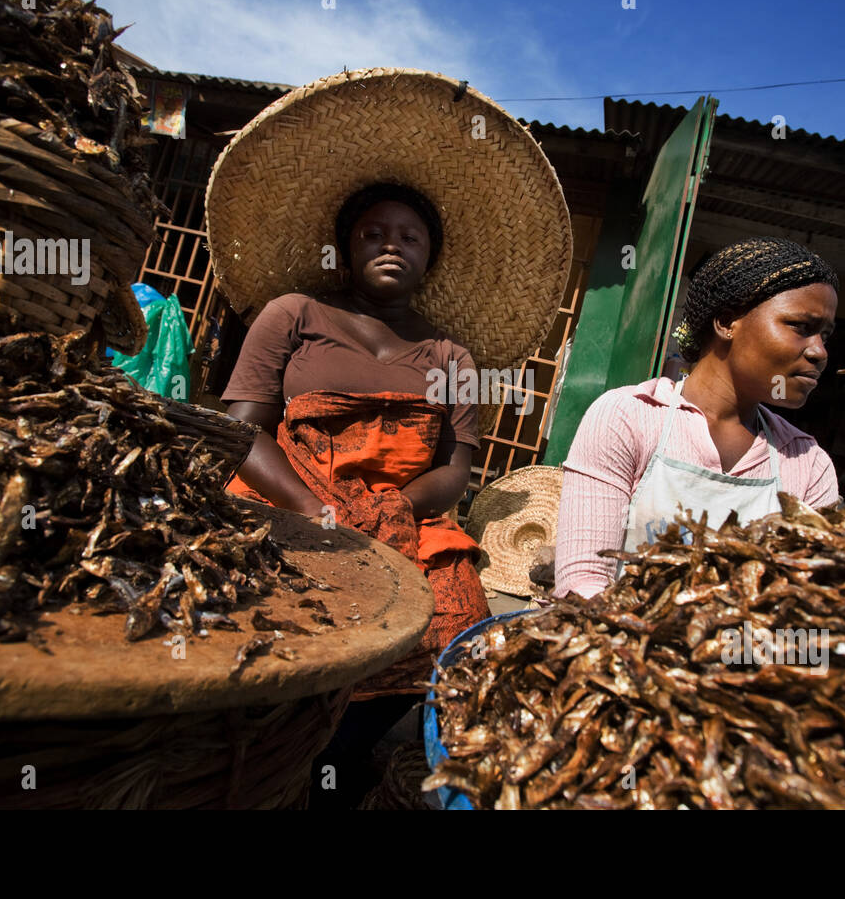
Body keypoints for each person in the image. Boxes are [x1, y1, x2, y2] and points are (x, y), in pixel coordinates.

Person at [203, 68, 574, 806]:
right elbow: (240, 428)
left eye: (409, 235)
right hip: (285, 500)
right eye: (373, 232)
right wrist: (317, 514)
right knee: (261, 637)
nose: (391, 244)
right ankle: (252, 767)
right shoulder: (292, 313)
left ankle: (340, 764)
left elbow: (458, 466)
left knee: (455, 629)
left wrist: (395, 512)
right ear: (344, 246)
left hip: (405, 516)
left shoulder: (451, 355)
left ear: (430, 255)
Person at [554, 237, 841, 599]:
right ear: (726, 322)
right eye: (801, 326)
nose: (819, 352)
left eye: (825, 335)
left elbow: (807, 600)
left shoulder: (808, 464)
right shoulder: (629, 418)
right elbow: (583, 581)